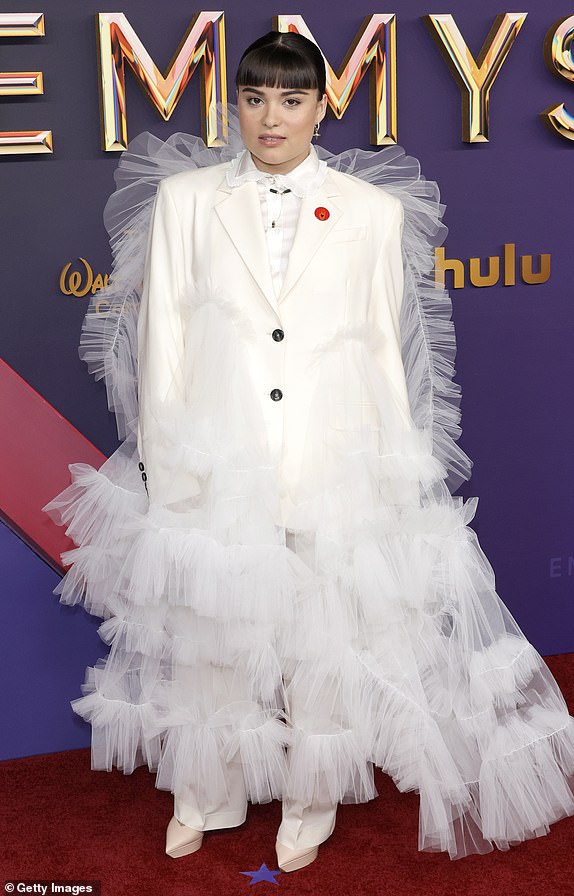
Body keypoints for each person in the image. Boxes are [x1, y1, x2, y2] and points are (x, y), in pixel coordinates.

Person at [44, 31, 574, 872]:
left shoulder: (375, 213)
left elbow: (382, 349)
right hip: (219, 456)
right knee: (213, 636)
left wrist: (394, 468)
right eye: (253, 99)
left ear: (322, 107)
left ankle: (310, 799)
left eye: (290, 100)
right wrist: (170, 462)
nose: (270, 118)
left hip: (337, 458)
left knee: (323, 641)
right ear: (235, 106)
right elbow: (163, 340)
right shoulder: (184, 200)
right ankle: (205, 794)